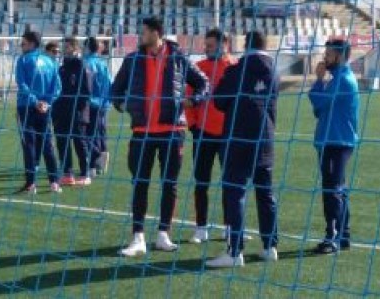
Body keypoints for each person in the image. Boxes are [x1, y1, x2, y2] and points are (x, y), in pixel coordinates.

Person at [111, 16, 209, 257]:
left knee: (170, 184)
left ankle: (163, 234)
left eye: (144, 31)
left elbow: (203, 84)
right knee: (140, 183)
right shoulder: (133, 59)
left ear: (156, 33)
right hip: (141, 132)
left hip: (172, 131)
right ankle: (138, 238)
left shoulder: (178, 58)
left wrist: (193, 100)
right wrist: (123, 105)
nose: (140, 35)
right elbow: (115, 89)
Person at [206, 31, 279, 268]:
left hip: (239, 139)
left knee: (235, 193)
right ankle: (270, 247)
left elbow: (219, 100)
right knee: (265, 192)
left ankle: (235, 251)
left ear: (246, 45)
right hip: (265, 139)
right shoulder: (274, 71)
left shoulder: (237, 70)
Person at [308, 39, 359, 254]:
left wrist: (319, 80)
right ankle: (343, 234)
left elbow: (318, 102)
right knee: (338, 188)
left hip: (336, 141)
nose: (324, 57)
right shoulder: (337, 77)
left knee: (332, 190)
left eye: (328, 53)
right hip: (333, 139)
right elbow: (320, 110)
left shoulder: (343, 80)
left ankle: (333, 237)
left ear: (339, 56)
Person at [185, 29, 236, 244]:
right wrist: (194, 125)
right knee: (201, 182)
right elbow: (187, 97)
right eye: (205, 45)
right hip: (203, 133)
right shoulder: (199, 68)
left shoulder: (235, 68)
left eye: (211, 45)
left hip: (229, 135)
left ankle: (230, 227)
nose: (206, 49)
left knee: (231, 182)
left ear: (225, 45)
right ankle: (201, 228)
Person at [15, 31, 62, 194]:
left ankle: (31, 184)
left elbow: (22, 85)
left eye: (23, 43)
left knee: (29, 145)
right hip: (45, 109)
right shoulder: (50, 62)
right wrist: (47, 103)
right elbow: (57, 88)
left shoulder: (23, 60)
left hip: (27, 107)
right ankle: (54, 182)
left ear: (32, 44)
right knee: (47, 145)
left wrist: (35, 102)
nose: (21, 46)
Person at [52, 37, 93, 187]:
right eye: (64, 47)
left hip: (77, 113)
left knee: (79, 142)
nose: (65, 50)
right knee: (62, 142)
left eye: (68, 47)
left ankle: (85, 173)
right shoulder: (62, 67)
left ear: (76, 49)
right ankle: (67, 173)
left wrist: (78, 109)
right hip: (62, 112)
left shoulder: (82, 66)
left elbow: (87, 91)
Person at [83, 36, 112, 176]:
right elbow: (110, 83)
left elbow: (84, 86)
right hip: (104, 104)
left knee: (88, 134)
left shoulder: (86, 63)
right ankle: (101, 160)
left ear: (87, 47)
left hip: (91, 104)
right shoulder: (103, 64)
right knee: (100, 132)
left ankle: (93, 165)